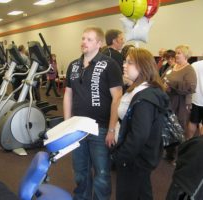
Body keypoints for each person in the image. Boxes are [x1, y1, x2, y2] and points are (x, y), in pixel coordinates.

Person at [63, 27, 123, 200]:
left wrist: (112, 129)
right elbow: (68, 94)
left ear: (99, 43)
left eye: (89, 39)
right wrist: (67, 124)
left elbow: (117, 97)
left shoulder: (109, 65)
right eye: (83, 38)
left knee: (102, 173)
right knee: (80, 171)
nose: (84, 42)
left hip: (101, 128)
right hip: (77, 128)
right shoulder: (73, 65)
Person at [111, 48, 169, 200]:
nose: (124, 65)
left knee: (133, 193)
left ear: (143, 67)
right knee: (141, 192)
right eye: (125, 61)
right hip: (135, 156)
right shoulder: (138, 90)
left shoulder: (145, 97)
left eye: (129, 62)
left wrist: (120, 156)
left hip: (136, 158)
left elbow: (139, 135)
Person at [162, 45, 197, 163]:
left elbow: (190, 87)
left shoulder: (189, 69)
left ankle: (179, 157)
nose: (176, 55)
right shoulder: (172, 67)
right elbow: (163, 79)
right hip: (168, 101)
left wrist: (171, 85)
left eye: (179, 53)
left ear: (186, 55)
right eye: (176, 52)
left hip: (180, 104)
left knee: (178, 129)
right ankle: (169, 153)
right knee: (168, 126)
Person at [186, 59, 203, 139]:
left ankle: (189, 142)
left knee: (193, 122)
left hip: (195, 98)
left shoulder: (194, 65)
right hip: (196, 99)